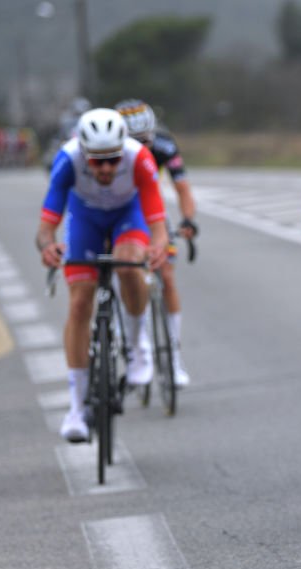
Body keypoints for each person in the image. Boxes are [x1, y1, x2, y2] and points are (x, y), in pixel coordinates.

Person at [36, 108, 169, 442]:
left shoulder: (139, 158)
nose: (107, 168)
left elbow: (157, 223)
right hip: (86, 220)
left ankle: (138, 346)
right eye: (97, 162)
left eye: (112, 159)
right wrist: (48, 247)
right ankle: (77, 409)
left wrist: (157, 247)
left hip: (129, 214)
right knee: (80, 303)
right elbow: (45, 228)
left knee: (128, 265)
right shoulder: (66, 161)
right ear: (83, 152)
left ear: (122, 149)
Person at [115, 99, 198, 387]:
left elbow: (183, 188)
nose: (141, 148)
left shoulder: (164, 146)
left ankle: (174, 359)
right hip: (117, 213)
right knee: (123, 270)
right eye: (133, 142)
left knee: (168, 277)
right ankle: (128, 333)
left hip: (151, 214)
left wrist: (188, 220)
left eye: (145, 141)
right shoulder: (109, 151)